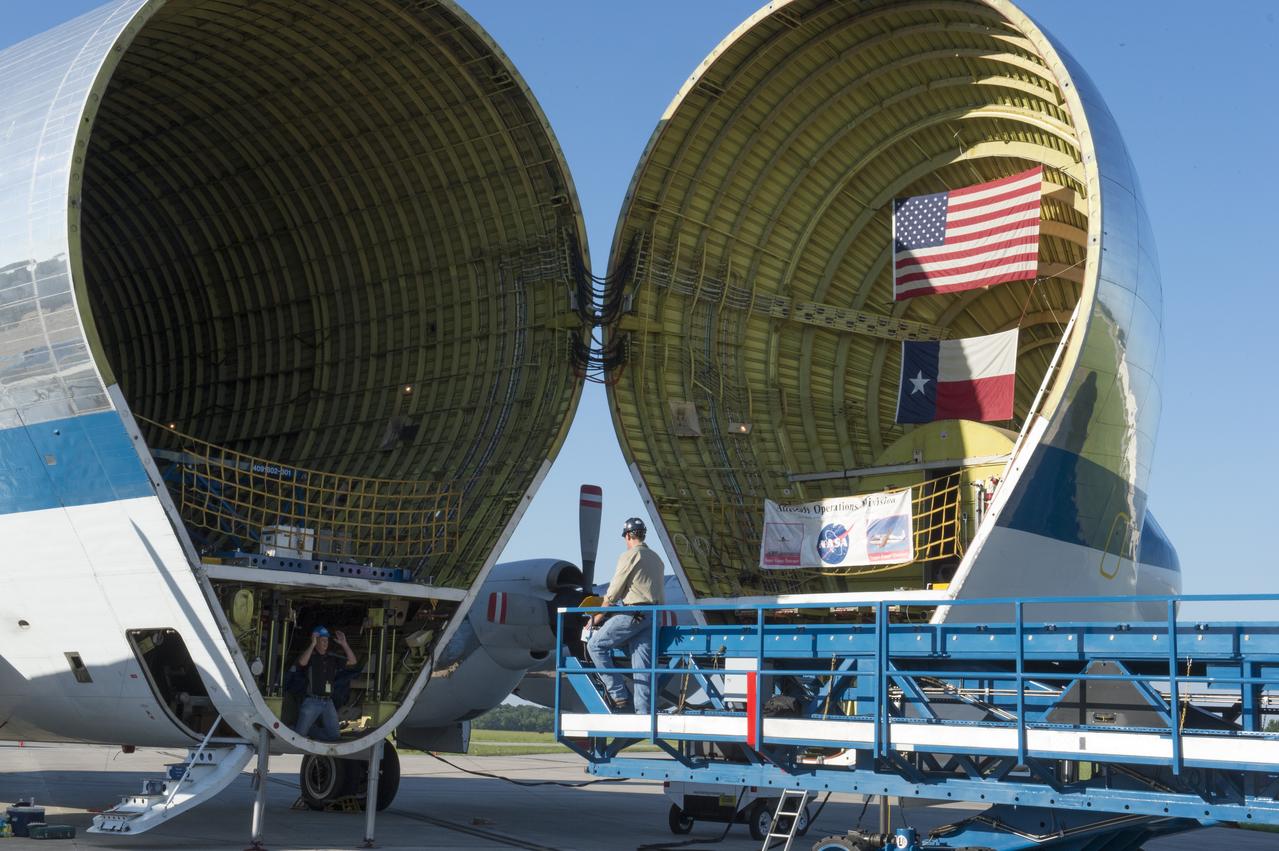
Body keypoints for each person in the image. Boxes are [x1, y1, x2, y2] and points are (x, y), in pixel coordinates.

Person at [587, 517, 665, 713]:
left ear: (628, 535)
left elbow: (613, 592)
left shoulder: (630, 556)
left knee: (595, 646)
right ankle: (643, 712)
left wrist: (596, 618)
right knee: (643, 668)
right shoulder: (656, 558)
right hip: (653, 616)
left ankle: (619, 694)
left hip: (633, 613)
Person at [293, 626, 357, 741]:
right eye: (322, 640)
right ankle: (310, 730)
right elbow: (302, 662)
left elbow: (352, 661)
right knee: (299, 736)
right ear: (316, 641)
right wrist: (312, 644)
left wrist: (344, 643)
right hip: (312, 701)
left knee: (335, 737)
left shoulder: (332, 658)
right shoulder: (311, 657)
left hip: (328, 702)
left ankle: (312, 731)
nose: (325, 643)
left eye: (326, 640)